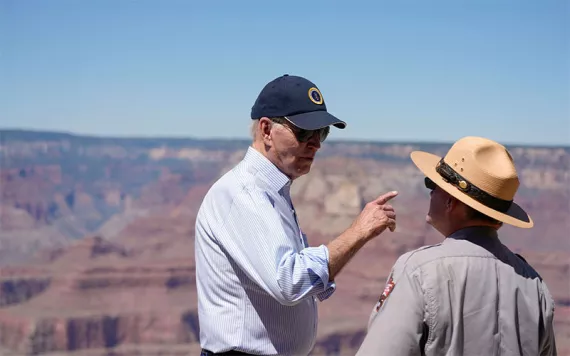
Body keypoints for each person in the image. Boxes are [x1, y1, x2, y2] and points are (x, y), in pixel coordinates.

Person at [194, 74, 398, 356]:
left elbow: (304, 285)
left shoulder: (272, 192)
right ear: (266, 129)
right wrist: (357, 232)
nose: (316, 144)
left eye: (322, 133)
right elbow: (289, 282)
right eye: (304, 133)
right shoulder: (245, 193)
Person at [356, 136, 557, 356]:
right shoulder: (534, 284)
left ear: (451, 201)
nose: (430, 192)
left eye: (433, 184)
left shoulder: (419, 271)